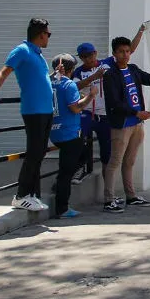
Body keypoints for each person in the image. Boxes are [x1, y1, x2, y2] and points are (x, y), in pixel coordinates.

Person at [0, 18, 54, 211]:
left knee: (40, 153)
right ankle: (21, 195)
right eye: (48, 34)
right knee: (33, 153)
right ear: (41, 34)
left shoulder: (38, 55)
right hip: (34, 111)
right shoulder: (22, 50)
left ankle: (31, 194)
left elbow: (39, 80)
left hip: (46, 110)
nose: (49, 37)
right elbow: (4, 72)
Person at [71, 25, 145, 185]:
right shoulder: (78, 72)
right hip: (87, 113)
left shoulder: (105, 64)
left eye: (90, 55)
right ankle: (80, 168)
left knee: (107, 154)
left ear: (95, 53)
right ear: (81, 58)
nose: (88, 59)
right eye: (84, 56)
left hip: (106, 115)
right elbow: (75, 86)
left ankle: (108, 190)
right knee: (78, 138)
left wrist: (140, 31)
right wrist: (93, 78)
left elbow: (129, 50)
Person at [102, 36, 150, 213]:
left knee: (130, 161)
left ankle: (130, 196)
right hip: (122, 124)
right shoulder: (110, 74)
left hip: (138, 123)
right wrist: (136, 112)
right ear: (114, 54)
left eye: (127, 51)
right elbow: (114, 103)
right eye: (121, 52)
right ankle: (109, 200)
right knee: (115, 161)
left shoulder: (133, 69)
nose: (125, 55)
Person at [49, 54, 99, 218]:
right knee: (66, 172)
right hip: (69, 133)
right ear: (71, 69)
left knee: (82, 155)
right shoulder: (69, 84)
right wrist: (90, 95)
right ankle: (62, 208)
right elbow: (76, 108)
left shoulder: (49, 83)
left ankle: (62, 182)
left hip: (54, 131)